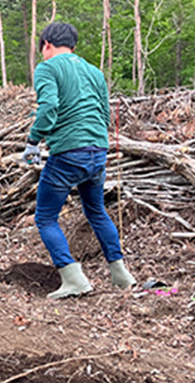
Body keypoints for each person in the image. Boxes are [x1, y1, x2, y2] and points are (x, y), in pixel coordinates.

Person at [23, 22, 137, 299]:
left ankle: (74, 278)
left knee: (46, 217)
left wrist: (33, 141)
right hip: (98, 150)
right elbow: (105, 113)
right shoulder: (94, 72)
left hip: (68, 155)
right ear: (73, 46)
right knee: (96, 211)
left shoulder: (47, 68)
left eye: (43, 49)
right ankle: (121, 275)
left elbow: (49, 107)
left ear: (46, 44)